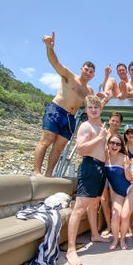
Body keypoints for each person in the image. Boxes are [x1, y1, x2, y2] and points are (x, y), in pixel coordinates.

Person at [34, 31, 96, 177]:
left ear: (93, 75)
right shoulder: (69, 76)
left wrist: (102, 97)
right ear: (81, 69)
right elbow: (55, 63)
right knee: (46, 140)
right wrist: (49, 47)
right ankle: (37, 171)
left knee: (59, 147)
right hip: (56, 110)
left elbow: (94, 105)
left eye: (91, 72)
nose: (88, 73)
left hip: (70, 118)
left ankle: (49, 174)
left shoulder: (89, 90)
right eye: (86, 70)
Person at [66, 96, 109, 265]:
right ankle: (70, 249)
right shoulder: (86, 126)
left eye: (96, 107)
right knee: (79, 209)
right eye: (90, 107)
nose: (93, 110)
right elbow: (81, 150)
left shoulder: (100, 127)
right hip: (89, 166)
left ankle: (94, 235)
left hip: (100, 168)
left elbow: (100, 149)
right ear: (86, 110)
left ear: (100, 110)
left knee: (94, 205)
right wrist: (100, 138)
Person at [105, 134, 133, 250]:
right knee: (115, 216)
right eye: (112, 143)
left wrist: (127, 168)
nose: (115, 145)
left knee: (125, 216)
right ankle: (115, 239)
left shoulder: (124, 158)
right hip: (117, 192)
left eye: (118, 144)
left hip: (131, 189)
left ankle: (122, 240)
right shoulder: (104, 157)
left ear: (121, 146)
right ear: (108, 144)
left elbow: (130, 179)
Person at [100, 111, 124, 237]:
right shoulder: (103, 132)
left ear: (120, 124)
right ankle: (109, 226)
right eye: (113, 120)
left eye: (117, 121)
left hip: (113, 170)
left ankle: (116, 224)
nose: (115, 123)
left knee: (114, 199)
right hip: (103, 168)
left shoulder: (119, 138)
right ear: (109, 120)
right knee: (104, 199)